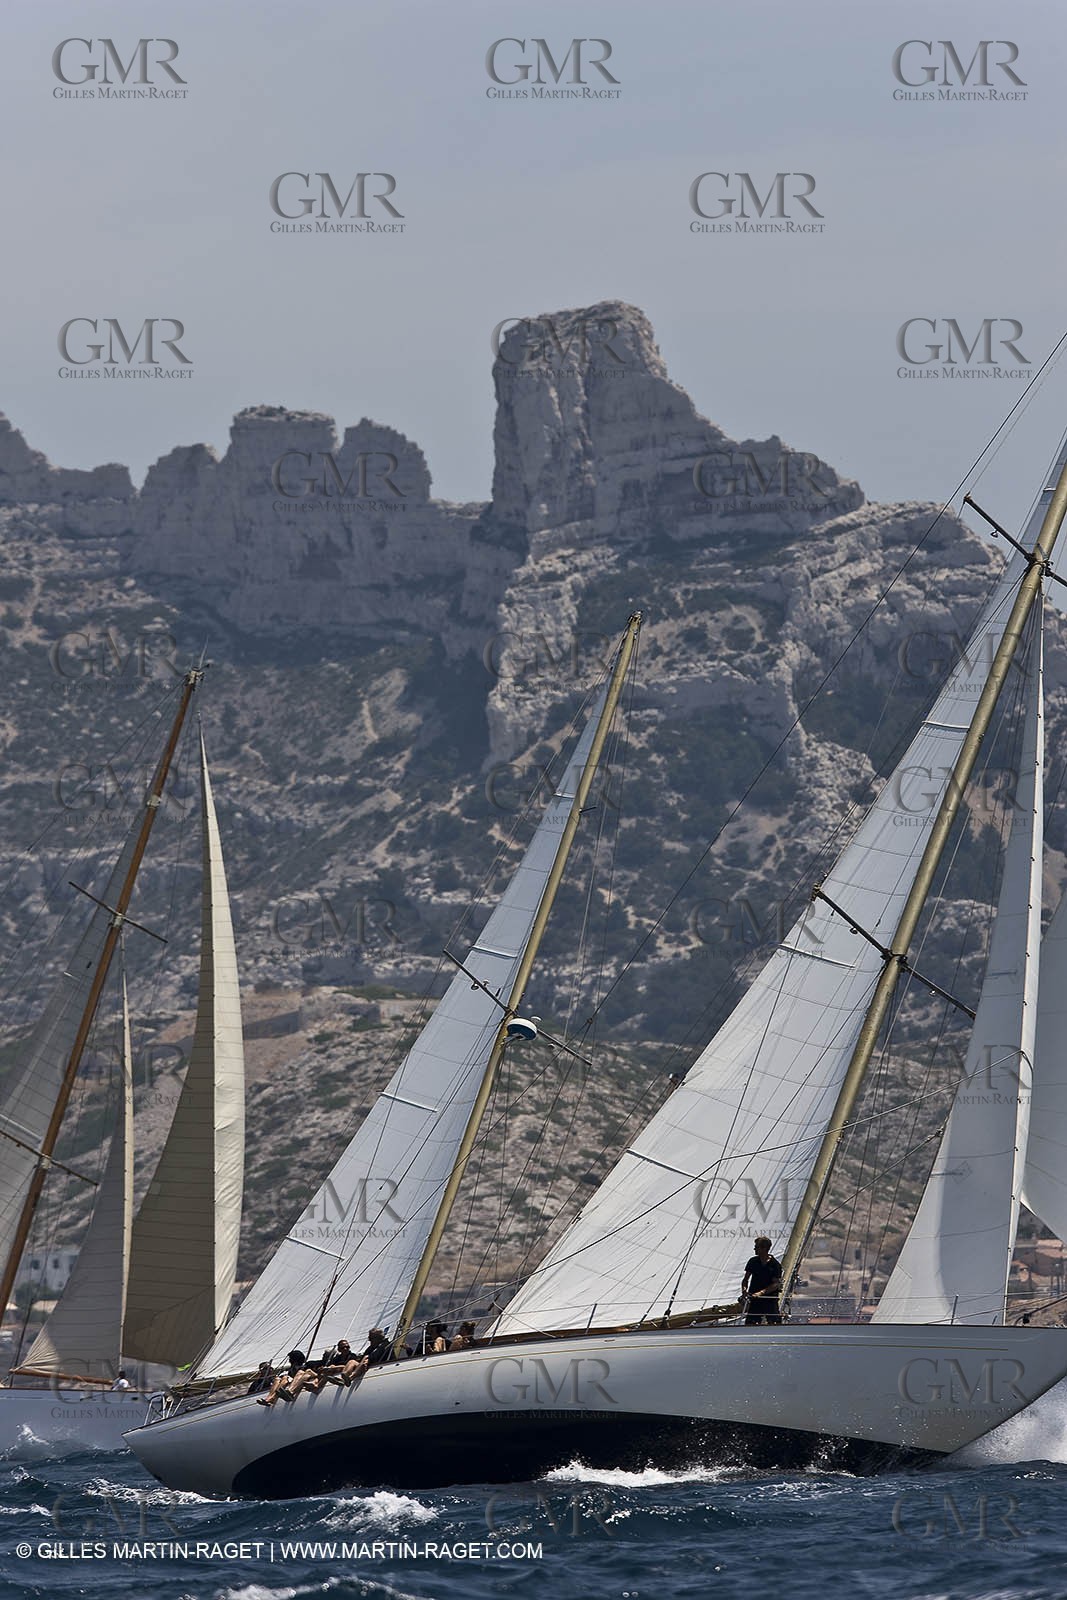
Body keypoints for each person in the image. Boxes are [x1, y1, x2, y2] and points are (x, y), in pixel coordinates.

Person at [741, 1237, 783, 1325]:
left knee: (774, 1323)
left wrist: (761, 1293)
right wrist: (744, 1291)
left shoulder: (775, 1265)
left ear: (764, 1249)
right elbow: (745, 1279)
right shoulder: (753, 1261)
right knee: (751, 1323)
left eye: (757, 1247)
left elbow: (776, 1284)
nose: (754, 1249)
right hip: (755, 1299)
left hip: (769, 1300)